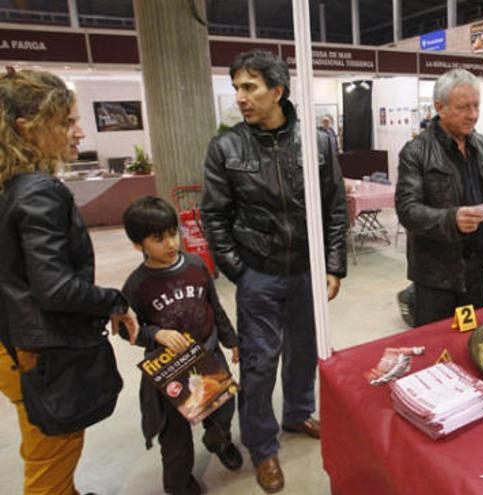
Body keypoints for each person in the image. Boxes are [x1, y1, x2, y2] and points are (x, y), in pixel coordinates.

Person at [202, 50, 348, 493]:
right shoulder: (227, 147)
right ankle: (263, 448)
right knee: (260, 363)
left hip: (307, 271)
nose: (241, 98)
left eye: (250, 87)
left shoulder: (318, 142)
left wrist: (334, 265)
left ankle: (299, 411)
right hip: (258, 274)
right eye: (237, 89)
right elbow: (213, 217)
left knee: (304, 351)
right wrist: (239, 271)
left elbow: (334, 207)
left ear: (278, 91)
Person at [0, 68, 136, 495]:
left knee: (47, 448)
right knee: (52, 455)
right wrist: (114, 300)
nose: (79, 132)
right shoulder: (38, 191)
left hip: (15, 342)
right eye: (66, 122)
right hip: (38, 349)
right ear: (27, 128)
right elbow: (55, 287)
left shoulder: (11, 185)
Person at [122, 197, 243, 495]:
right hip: (170, 369)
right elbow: (128, 331)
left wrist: (231, 341)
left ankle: (217, 443)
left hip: (208, 355)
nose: (171, 243)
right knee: (175, 438)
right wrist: (155, 335)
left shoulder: (196, 265)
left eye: (173, 233)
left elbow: (213, 306)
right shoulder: (136, 285)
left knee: (224, 410)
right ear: (139, 245)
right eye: (158, 239)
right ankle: (179, 484)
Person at [396, 68, 483, 326]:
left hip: (478, 268)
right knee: (437, 347)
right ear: (439, 107)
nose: (473, 115)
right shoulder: (416, 152)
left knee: (472, 340)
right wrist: (450, 219)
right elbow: (407, 209)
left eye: (476, 105)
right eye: (463, 107)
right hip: (436, 274)